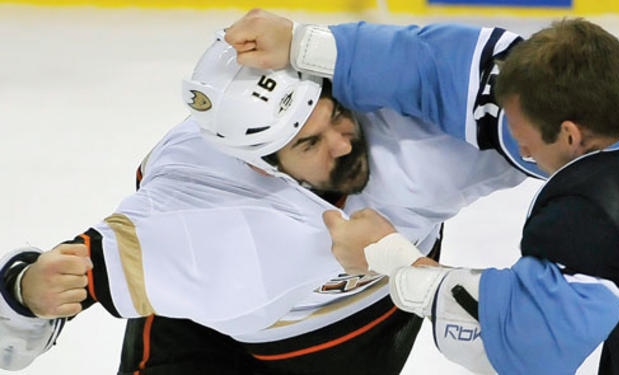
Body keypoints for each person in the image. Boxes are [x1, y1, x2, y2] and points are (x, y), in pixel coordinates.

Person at [0, 31, 526, 374]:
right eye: (308, 144)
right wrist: (24, 290)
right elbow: (39, 299)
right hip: (207, 332)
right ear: (258, 162)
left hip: (352, 333)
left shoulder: (416, 139)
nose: (344, 143)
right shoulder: (197, 197)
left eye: (333, 115)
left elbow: (580, 106)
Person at [225, 10, 619, 375]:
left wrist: (393, 258)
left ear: (569, 134)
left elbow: (530, 347)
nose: (520, 151)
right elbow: (434, 67)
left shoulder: (596, 211)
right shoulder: (597, 100)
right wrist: (303, 43)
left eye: (525, 141)